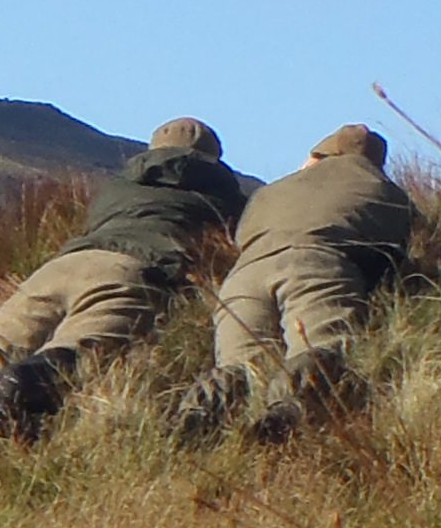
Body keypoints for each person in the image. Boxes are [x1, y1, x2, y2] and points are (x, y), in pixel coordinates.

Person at [0, 119, 249, 441]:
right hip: (133, 268)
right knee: (82, 350)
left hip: (61, 266)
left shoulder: (118, 187)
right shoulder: (222, 190)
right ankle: (7, 393)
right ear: (213, 157)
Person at [173, 123, 419, 439]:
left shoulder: (270, 191)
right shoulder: (385, 189)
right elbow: (394, 250)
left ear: (318, 156)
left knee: (240, 368)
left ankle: (197, 421)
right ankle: (283, 424)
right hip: (317, 263)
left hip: (244, 276)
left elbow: (241, 236)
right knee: (321, 350)